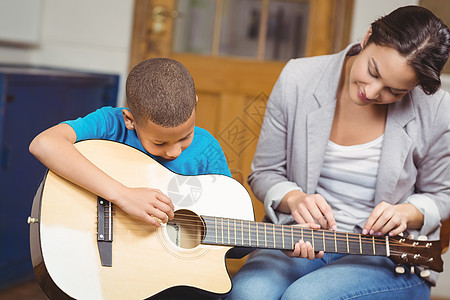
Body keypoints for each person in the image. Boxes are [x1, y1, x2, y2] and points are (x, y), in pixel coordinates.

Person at [226, 5, 450, 300]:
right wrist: (296, 200)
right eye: (372, 71)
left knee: (306, 297)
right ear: (368, 36)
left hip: (388, 256)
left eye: (394, 92)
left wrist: (405, 213)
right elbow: (265, 172)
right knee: (248, 295)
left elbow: (442, 195)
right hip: (300, 239)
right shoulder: (299, 78)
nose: (371, 93)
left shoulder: (434, 110)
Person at [29, 57, 231, 228]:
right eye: (159, 143)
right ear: (130, 120)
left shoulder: (206, 150)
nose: (174, 152)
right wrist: (122, 195)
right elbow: (44, 143)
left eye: (185, 137)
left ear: (195, 104)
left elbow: (229, 215)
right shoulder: (110, 124)